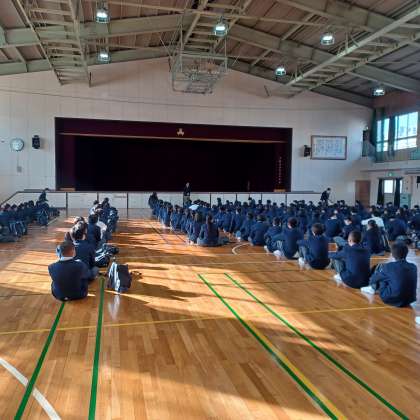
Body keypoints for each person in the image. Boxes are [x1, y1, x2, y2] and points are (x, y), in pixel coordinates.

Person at [361, 242, 417, 307]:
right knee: (390, 276)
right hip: (410, 299)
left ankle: (372, 288)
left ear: (392, 254)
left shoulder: (388, 267)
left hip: (391, 299)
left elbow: (373, 279)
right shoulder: (413, 267)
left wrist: (372, 280)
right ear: (406, 253)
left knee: (382, 275)